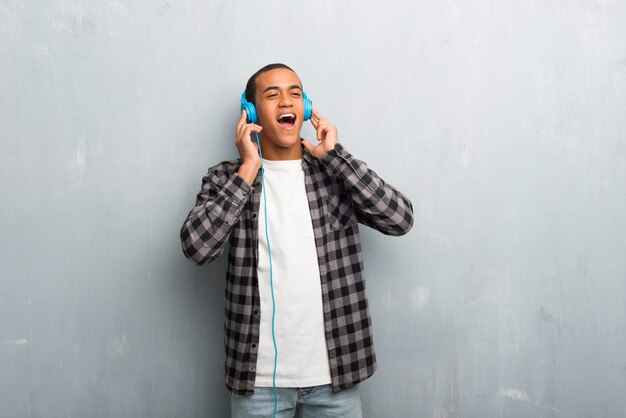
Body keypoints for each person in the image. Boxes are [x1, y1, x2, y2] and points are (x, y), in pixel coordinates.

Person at [180, 63, 414, 417]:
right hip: (256, 382)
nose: (285, 101)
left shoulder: (334, 175)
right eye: (272, 95)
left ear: (304, 108)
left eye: (294, 93)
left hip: (335, 376)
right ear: (251, 111)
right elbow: (197, 248)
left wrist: (338, 157)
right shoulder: (226, 178)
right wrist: (247, 169)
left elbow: (400, 219)